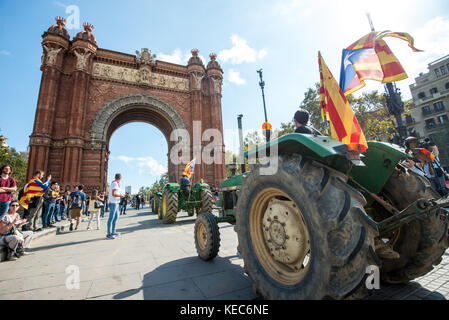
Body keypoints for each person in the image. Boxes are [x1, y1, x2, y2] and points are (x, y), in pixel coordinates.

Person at [107, 173, 125, 239]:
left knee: (116, 217)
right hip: (113, 203)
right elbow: (114, 194)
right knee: (111, 218)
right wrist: (121, 195)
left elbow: (116, 192)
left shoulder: (116, 183)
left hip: (116, 203)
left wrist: (121, 194)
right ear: (120, 177)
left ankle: (113, 231)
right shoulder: (115, 183)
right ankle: (108, 233)